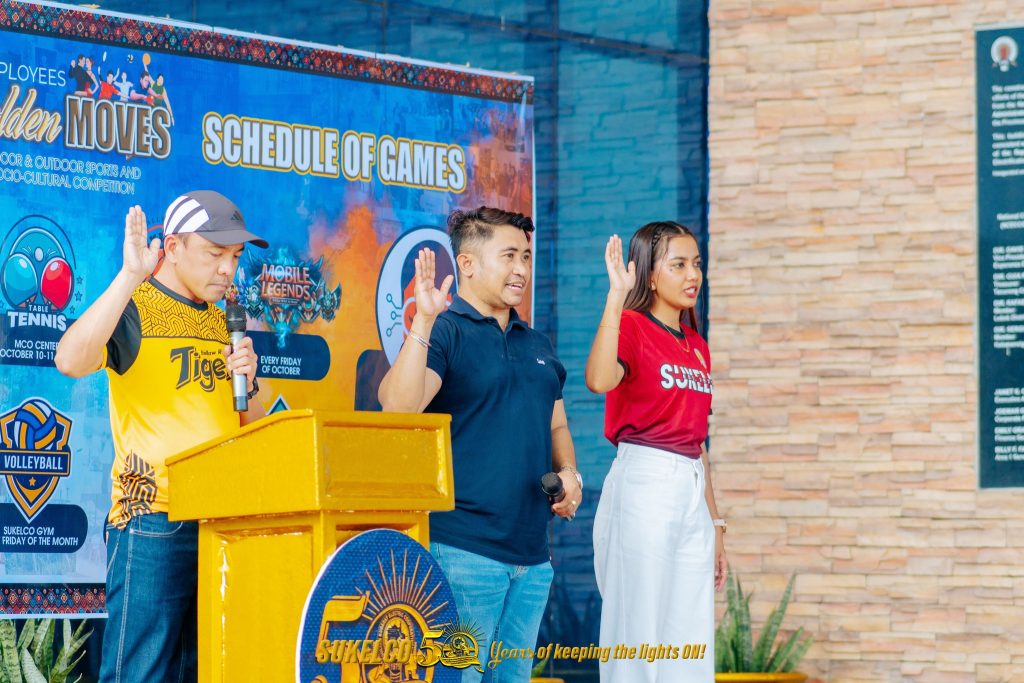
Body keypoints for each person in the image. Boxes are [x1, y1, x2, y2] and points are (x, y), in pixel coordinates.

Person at [55, 191, 269, 682]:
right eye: (215, 253)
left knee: (208, 670)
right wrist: (130, 276)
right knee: (140, 673)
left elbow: (253, 430)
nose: (228, 269)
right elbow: (69, 359)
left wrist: (250, 382)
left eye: (235, 257)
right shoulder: (133, 308)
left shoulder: (226, 320)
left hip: (220, 521)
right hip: (154, 516)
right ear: (172, 247)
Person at [378, 206, 581, 683]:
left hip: (533, 561)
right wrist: (423, 323)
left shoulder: (538, 344)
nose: (522, 269)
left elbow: (556, 426)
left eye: (526, 256)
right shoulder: (445, 331)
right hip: (462, 553)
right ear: (467, 264)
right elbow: (398, 408)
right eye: (509, 256)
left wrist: (570, 474)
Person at [585, 222, 727, 683]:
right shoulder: (630, 325)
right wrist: (615, 299)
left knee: (689, 641)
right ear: (650, 274)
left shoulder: (697, 346)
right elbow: (599, 379)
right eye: (679, 265)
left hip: (690, 489)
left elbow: (696, 441)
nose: (693, 275)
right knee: (638, 632)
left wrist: (715, 523)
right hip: (645, 481)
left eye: (696, 264)